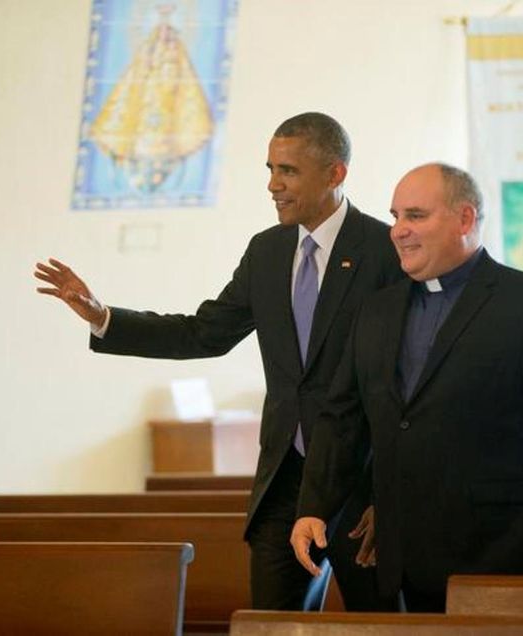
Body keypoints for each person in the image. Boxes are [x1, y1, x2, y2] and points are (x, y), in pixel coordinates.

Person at [34, 112, 403, 611]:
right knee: (271, 622)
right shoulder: (267, 251)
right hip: (284, 479)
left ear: (336, 173)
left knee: (381, 622)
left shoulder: (386, 251)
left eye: (288, 171)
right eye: (270, 169)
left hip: (361, 480)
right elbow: (204, 332)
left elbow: (407, 380)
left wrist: (391, 492)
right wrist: (105, 318)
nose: (272, 185)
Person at [291, 163, 523, 612]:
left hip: (501, 550)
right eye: (395, 216)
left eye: (415, 216)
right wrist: (313, 506)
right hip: (406, 551)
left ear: (465, 219)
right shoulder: (375, 311)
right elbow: (342, 417)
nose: (398, 231)